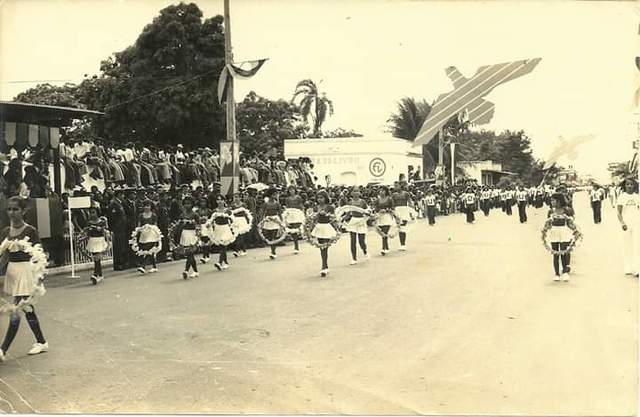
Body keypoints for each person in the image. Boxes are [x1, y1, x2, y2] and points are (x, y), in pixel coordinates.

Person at [0, 196, 48, 361]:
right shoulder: (6, 232)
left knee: (17, 309)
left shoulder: (31, 231)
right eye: (9, 209)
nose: (12, 213)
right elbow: (4, 255)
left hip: (26, 272)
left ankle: (3, 349)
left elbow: (40, 256)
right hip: (13, 272)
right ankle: (41, 341)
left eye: (16, 209)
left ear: (23, 211)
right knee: (27, 309)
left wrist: (39, 279)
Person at [544, 193, 576, 282]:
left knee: (563, 252)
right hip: (554, 232)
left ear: (558, 201)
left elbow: (571, 221)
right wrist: (547, 225)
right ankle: (556, 273)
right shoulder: (551, 211)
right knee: (555, 253)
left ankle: (565, 272)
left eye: (553, 200)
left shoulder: (566, 210)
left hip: (563, 231)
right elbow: (548, 223)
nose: (552, 202)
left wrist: (573, 229)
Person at [310, 191, 338, 277]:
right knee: (321, 247)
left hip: (327, 227)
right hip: (319, 227)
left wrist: (327, 215)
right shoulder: (316, 207)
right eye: (318, 198)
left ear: (325, 198)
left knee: (325, 247)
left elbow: (334, 217)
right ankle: (324, 266)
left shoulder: (330, 207)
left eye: (321, 197)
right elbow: (313, 218)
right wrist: (317, 215)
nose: (320, 199)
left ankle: (324, 266)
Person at [616, 178, 640, 277]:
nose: (629, 186)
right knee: (627, 245)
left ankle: (637, 268)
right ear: (624, 186)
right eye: (627, 184)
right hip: (626, 224)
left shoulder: (637, 197)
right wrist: (622, 223)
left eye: (631, 184)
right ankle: (628, 267)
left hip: (637, 223)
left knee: (637, 245)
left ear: (634, 185)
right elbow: (619, 212)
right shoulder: (622, 197)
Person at [135, 200, 162, 274]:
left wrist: (151, 228)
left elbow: (156, 225)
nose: (146, 207)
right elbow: (139, 225)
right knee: (145, 250)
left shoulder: (154, 215)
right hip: (144, 235)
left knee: (148, 248)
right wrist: (138, 230)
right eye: (145, 206)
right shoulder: (140, 215)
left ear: (151, 207)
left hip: (152, 234)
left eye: (148, 206)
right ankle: (154, 266)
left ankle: (143, 266)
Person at [210, 195, 236, 271]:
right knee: (221, 246)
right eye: (218, 200)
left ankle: (219, 262)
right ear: (216, 201)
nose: (220, 201)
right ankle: (226, 262)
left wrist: (232, 226)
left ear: (224, 201)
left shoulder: (228, 211)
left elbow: (233, 219)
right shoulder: (214, 211)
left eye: (221, 200)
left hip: (225, 229)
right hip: (218, 229)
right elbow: (211, 220)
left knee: (223, 246)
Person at [344, 188, 369, 264]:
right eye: (354, 191)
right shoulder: (350, 202)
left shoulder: (363, 202)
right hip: (353, 221)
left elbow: (367, 211)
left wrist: (368, 215)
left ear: (359, 193)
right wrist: (343, 219)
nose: (356, 193)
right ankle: (354, 258)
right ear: (351, 193)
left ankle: (365, 251)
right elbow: (348, 213)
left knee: (361, 241)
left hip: (361, 221)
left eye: (357, 191)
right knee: (353, 241)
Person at [85, 207, 109, 285]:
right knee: (96, 259)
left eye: (93, 212)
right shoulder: (89, 223)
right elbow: (87, 233)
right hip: (92, 241)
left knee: (97, 258)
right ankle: (100, 274)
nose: (92, 214)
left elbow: (105, 231)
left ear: (97, 213)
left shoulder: (101, 222)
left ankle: (95, 274)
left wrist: (101, 229)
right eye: (91, 212)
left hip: (99, 241)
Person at [178, 196, 200, 279]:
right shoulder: (182, 215)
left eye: (189, 204)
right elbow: (179, 225)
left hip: (192, 234)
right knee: (189, 254)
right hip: (185, 233)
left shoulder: (195, 214)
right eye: (185, 204)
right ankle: (195, 271)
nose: (187, 205)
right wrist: (182, 224)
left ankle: (186, 271)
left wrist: (198, 235)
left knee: (190, 253)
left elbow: (198, 225)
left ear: (192, 205)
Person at [107, 189, 128, 271]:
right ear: (119, 195)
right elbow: (112, 218)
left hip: (122, 229)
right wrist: (113, 228)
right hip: (117, 229)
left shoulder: (119, 203)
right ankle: (118, 264)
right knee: (118, 247)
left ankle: (121, 263)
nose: (123, 196)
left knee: (121, 246)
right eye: (122, 194)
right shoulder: (114, 204)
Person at [261, 189, 284, 260]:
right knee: (270, 237)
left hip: (275, 220)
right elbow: (263, 213)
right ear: (270, 195)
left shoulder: (277, 203)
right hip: (268, 220)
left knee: (273, 236)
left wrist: (282, 222)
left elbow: (279, 213)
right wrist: (262, 221)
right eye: (274, 194)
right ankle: (272, 250)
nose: (275, 196)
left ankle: (273, 252)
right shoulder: (265, 204)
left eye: (276, 194)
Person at [283, 186, 306, 254]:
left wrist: (303, 212)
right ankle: (295, 244)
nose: (291, 191)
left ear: (295, 190)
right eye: (290, 190)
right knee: (291, 229)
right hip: (290, 213)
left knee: (296, 229)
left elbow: (301, 205)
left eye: (293, 189)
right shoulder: (287, 199)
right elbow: (287, 206)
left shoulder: (298, 197)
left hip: (297, 213)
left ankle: (296, 247)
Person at [374, 187, 395, 255]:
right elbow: (375, 208)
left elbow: (392, 208)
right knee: (382, 232)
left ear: (386, 191)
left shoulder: (389, 199)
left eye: (382, 190)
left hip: (387, 216)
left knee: (385, 232)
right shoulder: (377, 200)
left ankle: (383, 248)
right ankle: (387, 247)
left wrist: (386, 210)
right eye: (380, 190)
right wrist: (379, 210)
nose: (381, 192)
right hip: (380, 217)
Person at [392, 184, 412, 250]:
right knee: (400, 227)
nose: (395, 187)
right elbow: (392, 204)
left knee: (403, 226)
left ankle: (403, 244)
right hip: (397, 210)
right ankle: (402, 244)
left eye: (397, 186)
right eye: (395, 186)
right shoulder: (394, 195)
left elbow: (409, 202)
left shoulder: (406, 193)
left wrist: (411, 212)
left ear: (400, 186)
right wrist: (393, 213)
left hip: (404, 210)